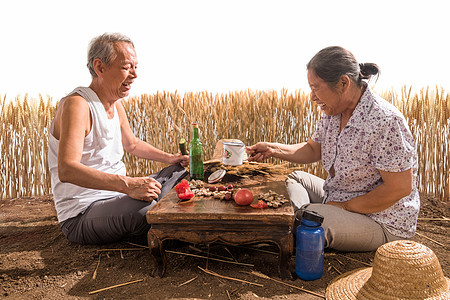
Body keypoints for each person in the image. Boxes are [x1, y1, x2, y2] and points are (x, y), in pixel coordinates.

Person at [246, 46, 420, 252]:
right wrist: (273, 149)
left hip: (380, 219)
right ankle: (301, 217)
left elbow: (399, 188)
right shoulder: (333, 113)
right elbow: (313, 149)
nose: (312, 97)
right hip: (339, 196)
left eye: (316, 87)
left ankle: (302, 219)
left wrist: (346, 207)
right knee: (295, 179)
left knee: (312, 222)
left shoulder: (384, 121)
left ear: (344, 83)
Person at [48, 33, 189, 245]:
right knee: (143, 210)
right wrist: (128, 185)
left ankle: (160, 205)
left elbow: (131, 144)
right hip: (83, 212)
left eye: (135, 67)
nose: (134, 75)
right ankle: (160, 210)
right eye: (126, 67)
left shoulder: (114, 102)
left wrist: (170, 158)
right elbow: (67, 169)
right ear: (100, 67)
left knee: (181, 172)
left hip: (118, 198)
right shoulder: (77, 105)